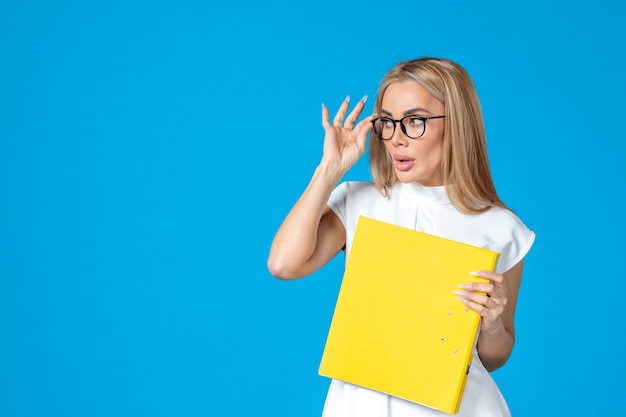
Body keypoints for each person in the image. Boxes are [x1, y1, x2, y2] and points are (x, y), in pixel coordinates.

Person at [267, 57, 535, 417]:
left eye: (414, 121)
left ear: (456, 124)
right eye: (388, 123)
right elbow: (283, 264)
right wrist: (328, 170)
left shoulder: (501, 227)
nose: (396, 139)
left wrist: (489, 322)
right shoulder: (359, 202)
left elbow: (494, 356)